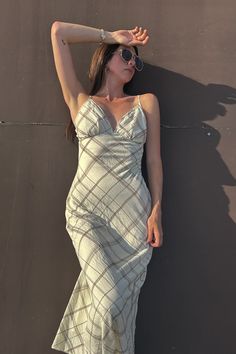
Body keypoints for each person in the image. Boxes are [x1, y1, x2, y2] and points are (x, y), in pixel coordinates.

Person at [50, 21, 163, 354]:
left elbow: (154, 162)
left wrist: (157, 210)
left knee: (116, 311)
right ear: (106, 56)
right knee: (109, 298)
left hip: (132, 220)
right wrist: (110, 36)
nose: (132, 63)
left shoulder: (146, 102)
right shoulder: (79, 99)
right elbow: (57, 32)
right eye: (126, 54)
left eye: (136, 61)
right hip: (87, 213)